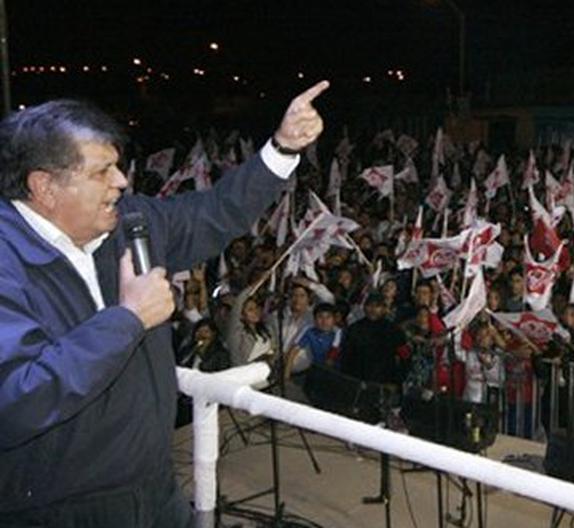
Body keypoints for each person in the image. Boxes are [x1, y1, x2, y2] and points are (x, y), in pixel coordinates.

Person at [0, 81, 328, 525]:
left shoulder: (130, 222)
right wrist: (128, 319)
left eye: (117, 166)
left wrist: (283, 148)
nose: (120, 181)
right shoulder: (7, 264)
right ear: (44, 187)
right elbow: (18, 399)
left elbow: (217, 212)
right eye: (101, 172)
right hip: (62, 509)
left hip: (155, 489)